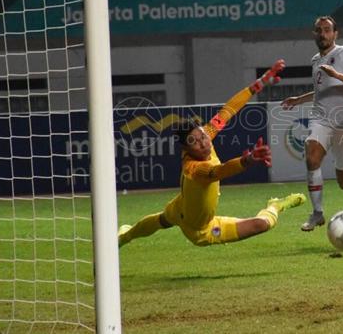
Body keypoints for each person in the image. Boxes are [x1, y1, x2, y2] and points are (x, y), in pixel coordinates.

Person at [118, 59, 306, 248]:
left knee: (162, 220)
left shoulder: (207, 133)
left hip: (180, 206)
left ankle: (125, 234)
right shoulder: (195, 168)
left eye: (201, 136)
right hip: (201, 229)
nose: (202, 142)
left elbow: (229, 109)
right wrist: (247, 160)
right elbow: (220, 171)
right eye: (193, 142)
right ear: (186, 149)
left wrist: (260, 82)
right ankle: (275, 205)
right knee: (261, 225)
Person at [281, 16, 343, 231]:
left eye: (327, 30)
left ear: (335, 33)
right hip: (320, 118)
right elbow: (322, 91)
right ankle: (317, 213)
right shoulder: (315, 60)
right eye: (319, 30)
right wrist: (299, 99)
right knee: (312, 158)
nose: (323, 34)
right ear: (314, 34)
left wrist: (338, 74)